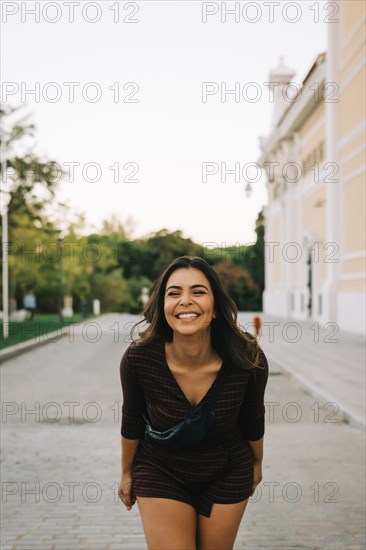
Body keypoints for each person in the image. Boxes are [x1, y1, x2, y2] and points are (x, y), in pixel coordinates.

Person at [118, 256, 269, 550]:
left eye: (198, 292)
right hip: (160, 468)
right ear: (163, 306)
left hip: (227, 469)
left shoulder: (247, 358)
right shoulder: (139, 358)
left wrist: (258, 463)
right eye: (174, 293)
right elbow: (131, 419)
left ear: (214, 308)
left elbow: (253, 418)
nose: (185, 301)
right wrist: (126, 472)